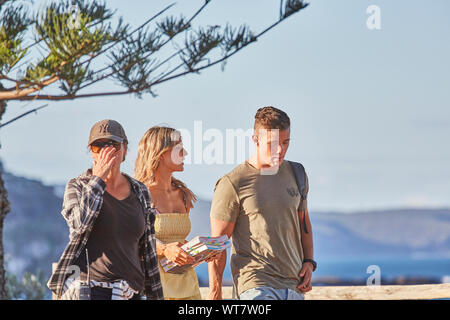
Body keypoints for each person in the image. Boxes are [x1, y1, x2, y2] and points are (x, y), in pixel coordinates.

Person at [208, 106, 316, 300]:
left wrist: (309, 262)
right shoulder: (233, 183)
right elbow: (217, 244)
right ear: (255, 140)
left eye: (286, 142)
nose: (280, 149)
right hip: (255, 286)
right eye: (273, 143)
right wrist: (215, 293)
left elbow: (303, 224)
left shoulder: (297, 174)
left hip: (294, 286)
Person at [47, 119, 163, 300]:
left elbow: (148, 250)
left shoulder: (140, 191)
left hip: (129, 292)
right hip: (90, 290)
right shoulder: (77, 186)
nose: (105, 152)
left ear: (124, 149)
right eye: (97, 147)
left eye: (113, 145)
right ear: (91, 153)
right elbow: (79, 224)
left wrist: (156, 296)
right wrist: (98, 179)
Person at [134, 126, 203, 300]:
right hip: (152, 285)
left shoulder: (183, 195)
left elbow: (178, 241)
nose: (185, 153)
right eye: (179, 149)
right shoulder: (138, 194)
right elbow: (132, 239)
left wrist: (200, 251)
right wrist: (164, 249)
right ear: (161, 153)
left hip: (186, 284)